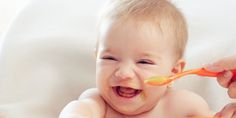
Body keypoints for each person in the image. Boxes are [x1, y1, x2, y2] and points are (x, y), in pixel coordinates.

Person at [59, 0, 235, 117]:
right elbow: (77, 111)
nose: (123, 73)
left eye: (144, 62)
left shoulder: (182, 106)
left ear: (174, 71)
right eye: (110, 58)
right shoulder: (98, 103)